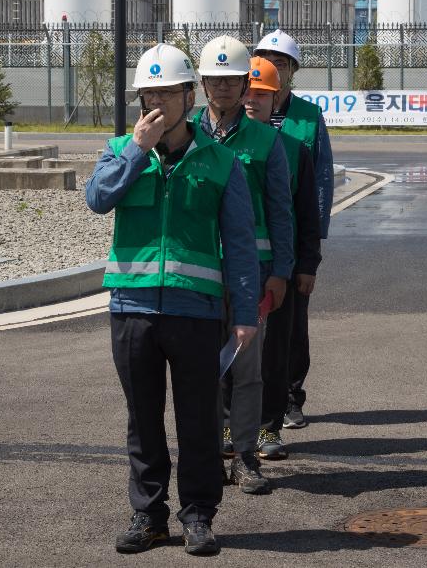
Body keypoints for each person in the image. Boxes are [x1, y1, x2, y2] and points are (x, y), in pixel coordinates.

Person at [85, 43, 259, 557]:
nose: (155, 102)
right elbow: (97, 199)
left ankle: (199, 515)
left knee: (199, 420)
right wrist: (138, 150)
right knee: (143, 420)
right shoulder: (121, 149)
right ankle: (149, 515)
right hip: (132, 310)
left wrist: (244, 315)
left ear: (189, 96)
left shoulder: (221, 161)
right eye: (147, 93)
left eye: (166, 92)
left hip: (196, 312)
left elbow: (242, 245)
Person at [193, 36, 293, 496]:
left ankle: (247, 456)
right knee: (201, 367)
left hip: (252, 271)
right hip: (198, 271)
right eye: (215, 80)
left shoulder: (266, 140)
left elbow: (280, 211)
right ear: (202, 83)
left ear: (244, 82)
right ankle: (210, 453)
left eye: (233, 79)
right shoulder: (186, 131)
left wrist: (281, 271)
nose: (224, 88)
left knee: (247, 368)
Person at [253, 30, 333, 457]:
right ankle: (241, 419)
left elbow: (318, 182)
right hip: (251, 247)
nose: (275, 66)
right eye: (267, 58)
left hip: (291, 243)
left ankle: (289, 396)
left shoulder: (307, 116)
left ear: (293, 72)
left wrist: (310, 252)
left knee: (290, 328)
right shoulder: (245, 113)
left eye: (282, 62)